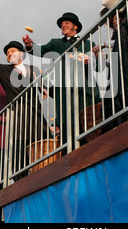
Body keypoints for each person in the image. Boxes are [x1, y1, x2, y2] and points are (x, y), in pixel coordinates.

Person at [22, 12, 101, 145]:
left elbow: (95, 65)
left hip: (86, 91)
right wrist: (30, 46)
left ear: (75, 26)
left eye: (66, 23)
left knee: (89, 126)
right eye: (61, 24)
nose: (63, 25)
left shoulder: (88, 42)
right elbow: (40, 50)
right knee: (67, 128)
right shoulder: (56, 43)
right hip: (64, 93)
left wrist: (89, 61)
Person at [0, 40, 48, 176]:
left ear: (21, 54)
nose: (9, 54)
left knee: (43, 150)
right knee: (19, 156)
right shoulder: (3, 69)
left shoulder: (34, 69)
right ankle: (21, 185)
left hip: (36, 117)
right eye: (7, 53)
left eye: (12, 51)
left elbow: (45, 84)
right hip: (19, 118)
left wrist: (44, 88)